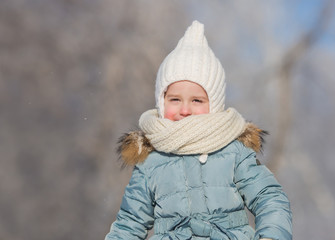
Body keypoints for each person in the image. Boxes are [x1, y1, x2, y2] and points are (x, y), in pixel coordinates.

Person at [105, 20, 292, 240]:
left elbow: (268, 197)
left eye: (196, 100)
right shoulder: (150, 161)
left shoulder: (233, 151)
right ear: (161, 101)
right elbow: (129, 224)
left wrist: (271, 235)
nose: (185, 110)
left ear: (214, 104)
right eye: (175, 99)